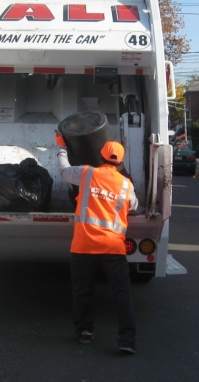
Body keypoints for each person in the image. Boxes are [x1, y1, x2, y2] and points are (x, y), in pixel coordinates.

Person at [55, 132, 138, 354]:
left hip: (85, 244)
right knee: (122, 292)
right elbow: (134, 206)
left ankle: (85, 332)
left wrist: (62, 148)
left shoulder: (87, 174)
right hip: (113, 246)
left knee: (82, 290)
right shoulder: (126, 185)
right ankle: (127, 340)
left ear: (100, 156)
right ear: (119, 161)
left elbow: (63, 171)